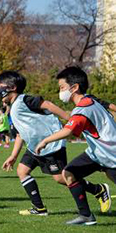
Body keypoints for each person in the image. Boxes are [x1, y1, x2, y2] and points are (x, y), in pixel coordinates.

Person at [0, 71, 105, 216]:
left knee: (61, 178)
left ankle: (98, 190)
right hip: (35, 147)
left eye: (0, 86)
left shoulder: (24, 100)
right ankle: (39, 208)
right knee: (22, 171)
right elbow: (19, 134)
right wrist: (13, 156)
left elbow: (47, 104)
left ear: (13, 87)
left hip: (51, 144)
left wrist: (68, 116)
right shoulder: (12, 110)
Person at [35, 66, 115, 225]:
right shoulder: (89, 99)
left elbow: (68, 131)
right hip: (97, 154)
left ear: (75, 87)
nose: (60, 91)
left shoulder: (83, 109)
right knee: (69, 173)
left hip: (111, 155)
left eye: (62, 87)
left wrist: (45, 141)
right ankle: (86, 215)